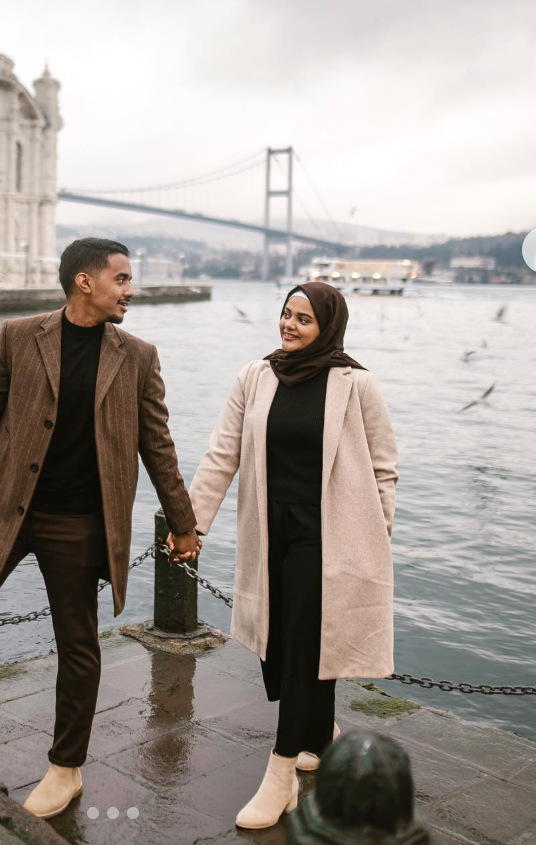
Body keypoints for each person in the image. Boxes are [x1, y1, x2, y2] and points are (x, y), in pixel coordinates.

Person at [0, 237, 201, 818]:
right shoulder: (18, 337)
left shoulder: (138, 357)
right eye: (121, 279)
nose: (131, 290)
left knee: (77, 644)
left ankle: (66, 768)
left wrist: (183, 523)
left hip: (81, 522)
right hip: (3, 508)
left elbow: (157, 445)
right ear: (85, 282)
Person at [184, 282, 398, 830]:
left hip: (329, 534)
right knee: (279, 645)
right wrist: (192, 522)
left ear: (327, 326)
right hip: (268, 526)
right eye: (286, 313)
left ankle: (281, 775)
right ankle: (319, 733)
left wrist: (376, 535)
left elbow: (383, 467)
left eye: (304, 318)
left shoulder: (356, 384)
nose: (290, 324)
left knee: (305, 643)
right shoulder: (255, 376)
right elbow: (222, 452)